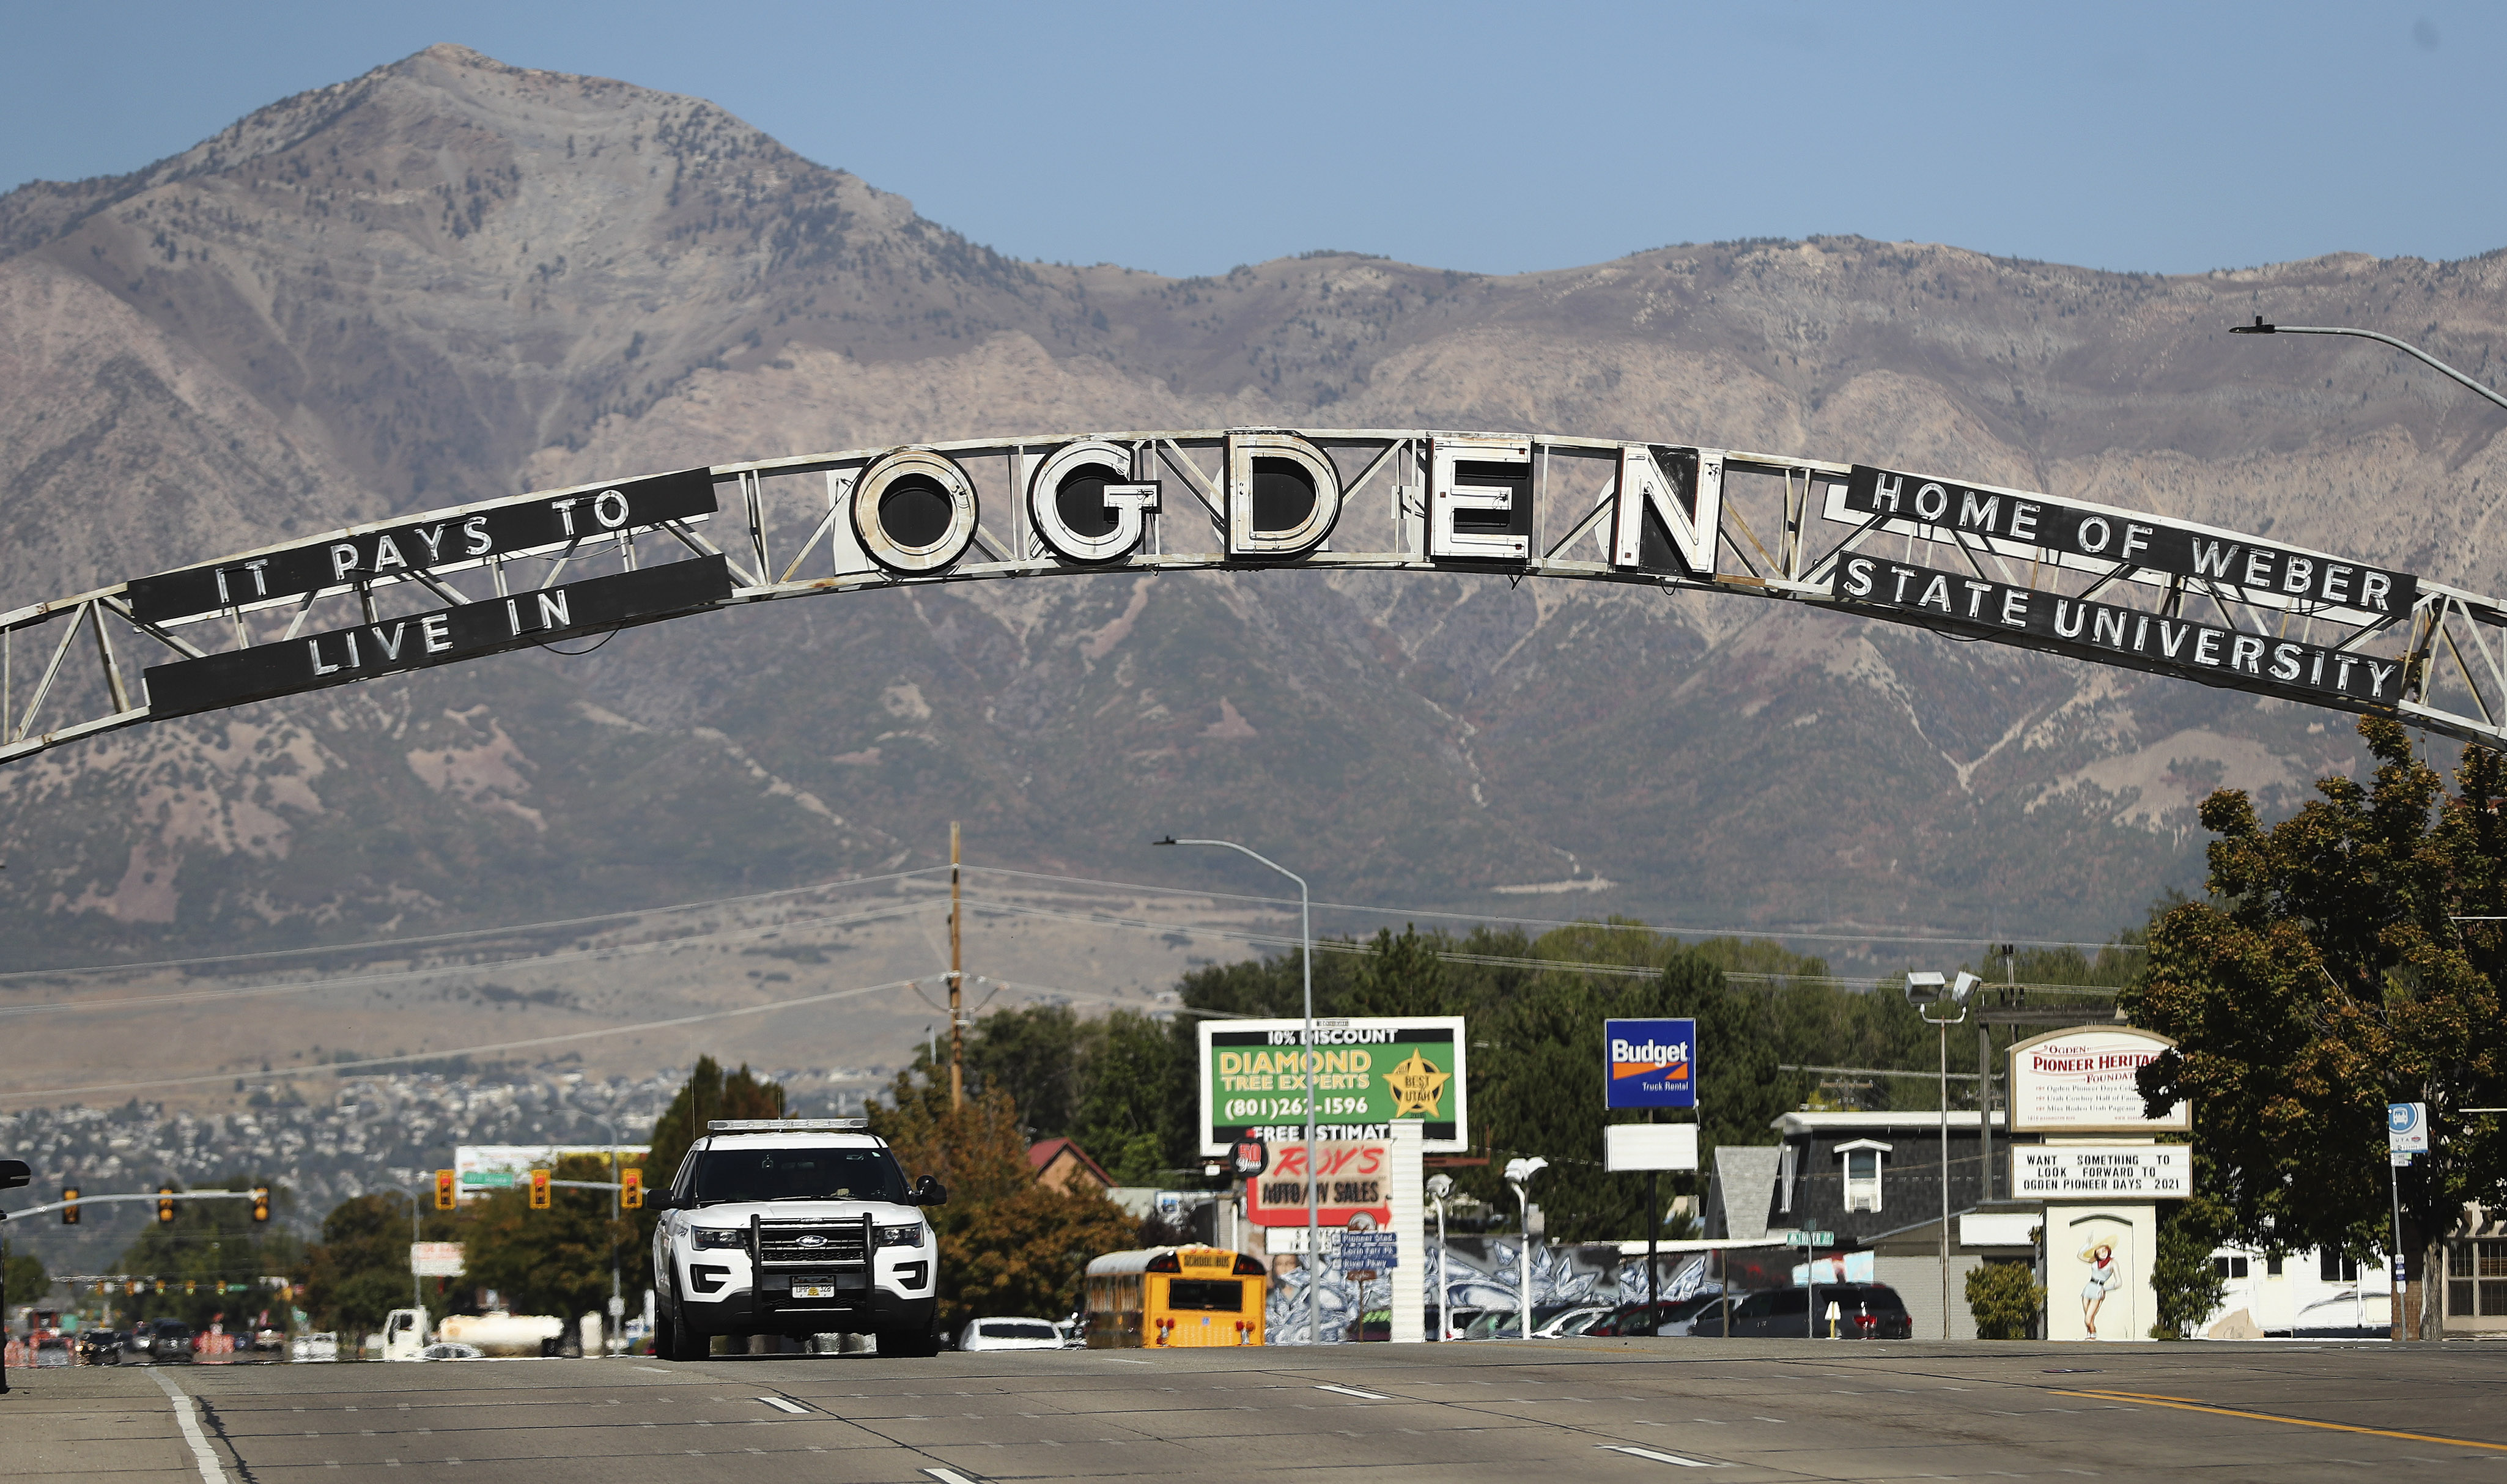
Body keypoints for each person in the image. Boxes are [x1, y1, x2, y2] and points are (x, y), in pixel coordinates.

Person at [2078, 1241, 2118, 1338]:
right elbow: (2080, 1256)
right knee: (2089, 1319)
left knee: (2088, 1319)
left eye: (2105, 1251)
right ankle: (2091, 1334)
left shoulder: (2112, 1263)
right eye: (2100, 1252)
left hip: (2099, 1290)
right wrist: (2087, 1245)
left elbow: (2119, 1283)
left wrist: (2105, 1289)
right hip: (2089, 1287)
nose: (2103, 1253)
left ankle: (2093, 1334)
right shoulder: (2095, 1261)